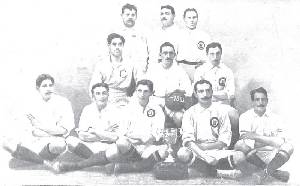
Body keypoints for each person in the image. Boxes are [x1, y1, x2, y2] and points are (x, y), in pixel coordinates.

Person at [2, 74, 74, 169]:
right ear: (37, 88)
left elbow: (64, 130)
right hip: (34, 140)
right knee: (5, 143)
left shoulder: (63, 102)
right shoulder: (30, 103)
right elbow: (30, 130)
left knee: (60, 145)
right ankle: (46, 163)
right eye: (44, 86)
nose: (48, 89)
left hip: (53, 142)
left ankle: (27, 158)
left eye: (50, 85)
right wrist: (51, 131)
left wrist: (40, 126)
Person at [177, 79, 246, 177]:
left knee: (240, 156)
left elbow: (224, 141)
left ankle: (201, 171)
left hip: (216, 151)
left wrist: (206, 149)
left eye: (208, 90)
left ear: (212, 92)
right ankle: (220, 173)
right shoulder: (189, 113)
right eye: (201, 91)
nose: (205, 94)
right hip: (197, 152)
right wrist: (205, 156)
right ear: (195, 94)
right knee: (182, 153)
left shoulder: (221, 111)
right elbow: (188, 142)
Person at [51, 83, 123, 173]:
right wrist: (105, 132)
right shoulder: (87, 109)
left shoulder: (116, 111)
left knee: (115, 150)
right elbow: (82, 135)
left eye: (104, 93)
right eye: (98, 93)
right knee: (70, 140)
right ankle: (102, 162)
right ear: (93, 96)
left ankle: (74, 166)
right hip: (90, 145)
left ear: (108, 95)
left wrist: (94, 131)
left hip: (108, 147)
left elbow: (115, 137)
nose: (101, 96)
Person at [105, 79, 168, 174]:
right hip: (131, 146)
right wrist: (141, 137)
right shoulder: (128, 108)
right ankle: (144, 164)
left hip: (148, 146)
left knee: (165, 151)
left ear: (151, 93)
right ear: (136, 91)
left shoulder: (157, 109)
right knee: (120, 143)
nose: (142, 94)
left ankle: (132, 167)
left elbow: (158, 132)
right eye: (139, 91)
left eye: (146, 91)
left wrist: (150, 138)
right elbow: (123, 131)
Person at [234, 87, 294, 184]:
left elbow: (281, 142)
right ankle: (272, 172)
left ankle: (264, 172)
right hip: (253, 155)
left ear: (267, 101)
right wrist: (270, 140)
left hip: (273, 155)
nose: (260, 102)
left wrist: (256, 137)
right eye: (257, 99)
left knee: (289, 146)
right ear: (252, 102)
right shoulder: (245, 117)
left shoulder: (276, 118)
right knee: (239, 147)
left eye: (263, 99)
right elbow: (246, 142)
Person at [194, 42, 239, 149]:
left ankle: (231, 145)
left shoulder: (227, 71)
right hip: (204, 105)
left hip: (222, 105)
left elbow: (231, 94)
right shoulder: (200, 71)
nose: (215, 57)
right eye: (212, 54)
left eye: (218, 53)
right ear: (207, 55)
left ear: (221, 54)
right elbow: (197, 92)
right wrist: (221, 94)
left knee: (234, 115)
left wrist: (209, 94)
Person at [146, 42, 193, 130]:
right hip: (155, 100)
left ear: (174, 55)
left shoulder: (180, 71)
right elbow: (146, 87)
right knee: (151, 115)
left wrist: (177, 92)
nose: (168, 56)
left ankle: (178, 138)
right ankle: (156, 138)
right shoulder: (153, 69)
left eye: (171, 53)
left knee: (180, 117)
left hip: (174, 102)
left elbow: (189, 91)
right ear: (160, 55)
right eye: (165, 53)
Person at [89, 33, 137, 107]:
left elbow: (141, 83)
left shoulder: (130, 64)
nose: (117, 47)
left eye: (120, 44)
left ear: (123, 46)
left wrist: (132, 101)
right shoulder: (101, 65)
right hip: (106, 100)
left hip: (125, 100)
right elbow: (94, 87)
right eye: (114, 44)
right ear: (109, 46)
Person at [111, 3, 149, 78]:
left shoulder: (144, 32)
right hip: (121, 70)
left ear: (136, 16)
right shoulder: (115, 32)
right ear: (122, 15)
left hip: (140, 69)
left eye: (133, 15)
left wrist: (146, 68)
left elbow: (151, 52)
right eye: (127, 14)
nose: (130, 17)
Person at [177, 8, 212, 82]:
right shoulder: (178, 35)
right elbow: (173, 54)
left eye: (194, 17)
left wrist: (204, 67)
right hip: (182, 67)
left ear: (197, 18)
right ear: (184, 19)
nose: (192, 20)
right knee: (183, 91)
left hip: (199, 68)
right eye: (189, 18)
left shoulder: (205, 36)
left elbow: (209, 55)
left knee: (199, 91)